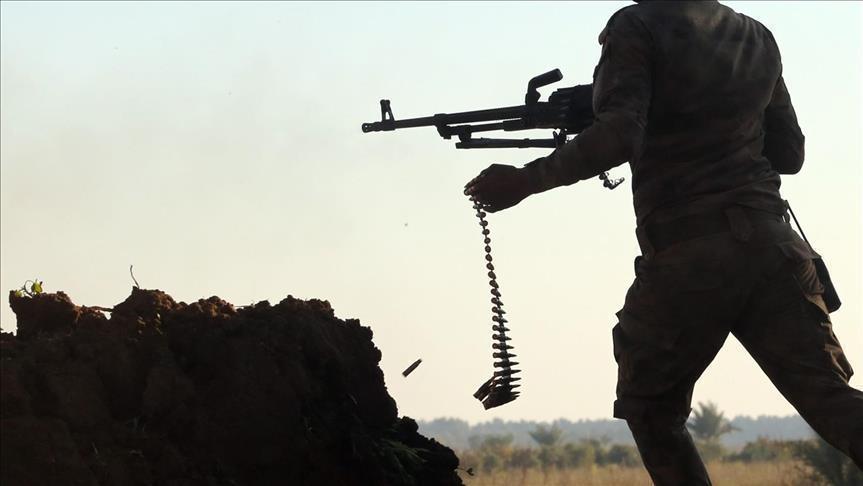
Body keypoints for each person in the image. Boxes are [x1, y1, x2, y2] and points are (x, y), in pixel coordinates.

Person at [464, 1, 863, 483]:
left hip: (690, 254)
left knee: (651, 409)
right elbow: (789, 153)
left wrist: (527, 180)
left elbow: (618, 135)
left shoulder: (636, 24)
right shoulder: (756, 35)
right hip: (774, 248)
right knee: (832, 400)